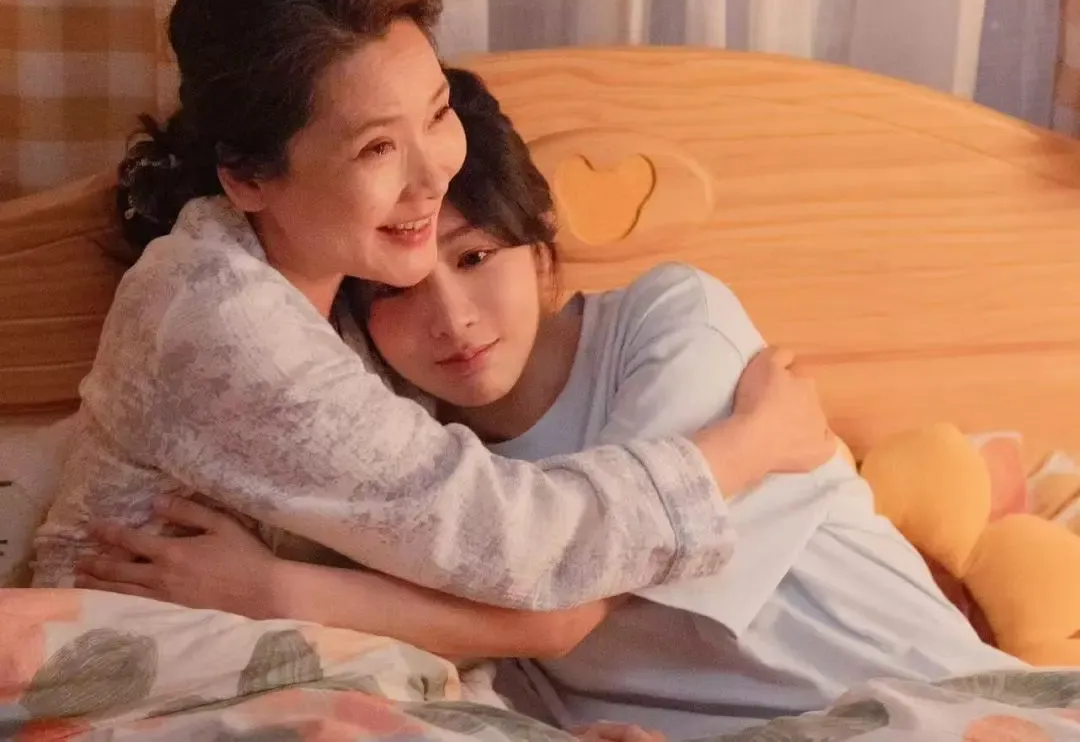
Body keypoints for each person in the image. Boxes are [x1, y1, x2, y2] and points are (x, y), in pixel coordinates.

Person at [76, 69, 1024, 740]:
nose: (451, 318)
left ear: (539, 246)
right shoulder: (410, 466)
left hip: (936, 698)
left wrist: (274, 592)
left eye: (476, 256)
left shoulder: (670, 320)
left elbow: (562, 608)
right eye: (396, 293)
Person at [33, 0, 835, 614]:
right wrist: (750, 445)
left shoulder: (345, 294)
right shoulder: (221, 319)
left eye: (438, 113)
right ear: (247, 178)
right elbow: (515, 546)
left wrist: (279, 591)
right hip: (140, 675)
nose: (433, 176)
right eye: (377, 147)